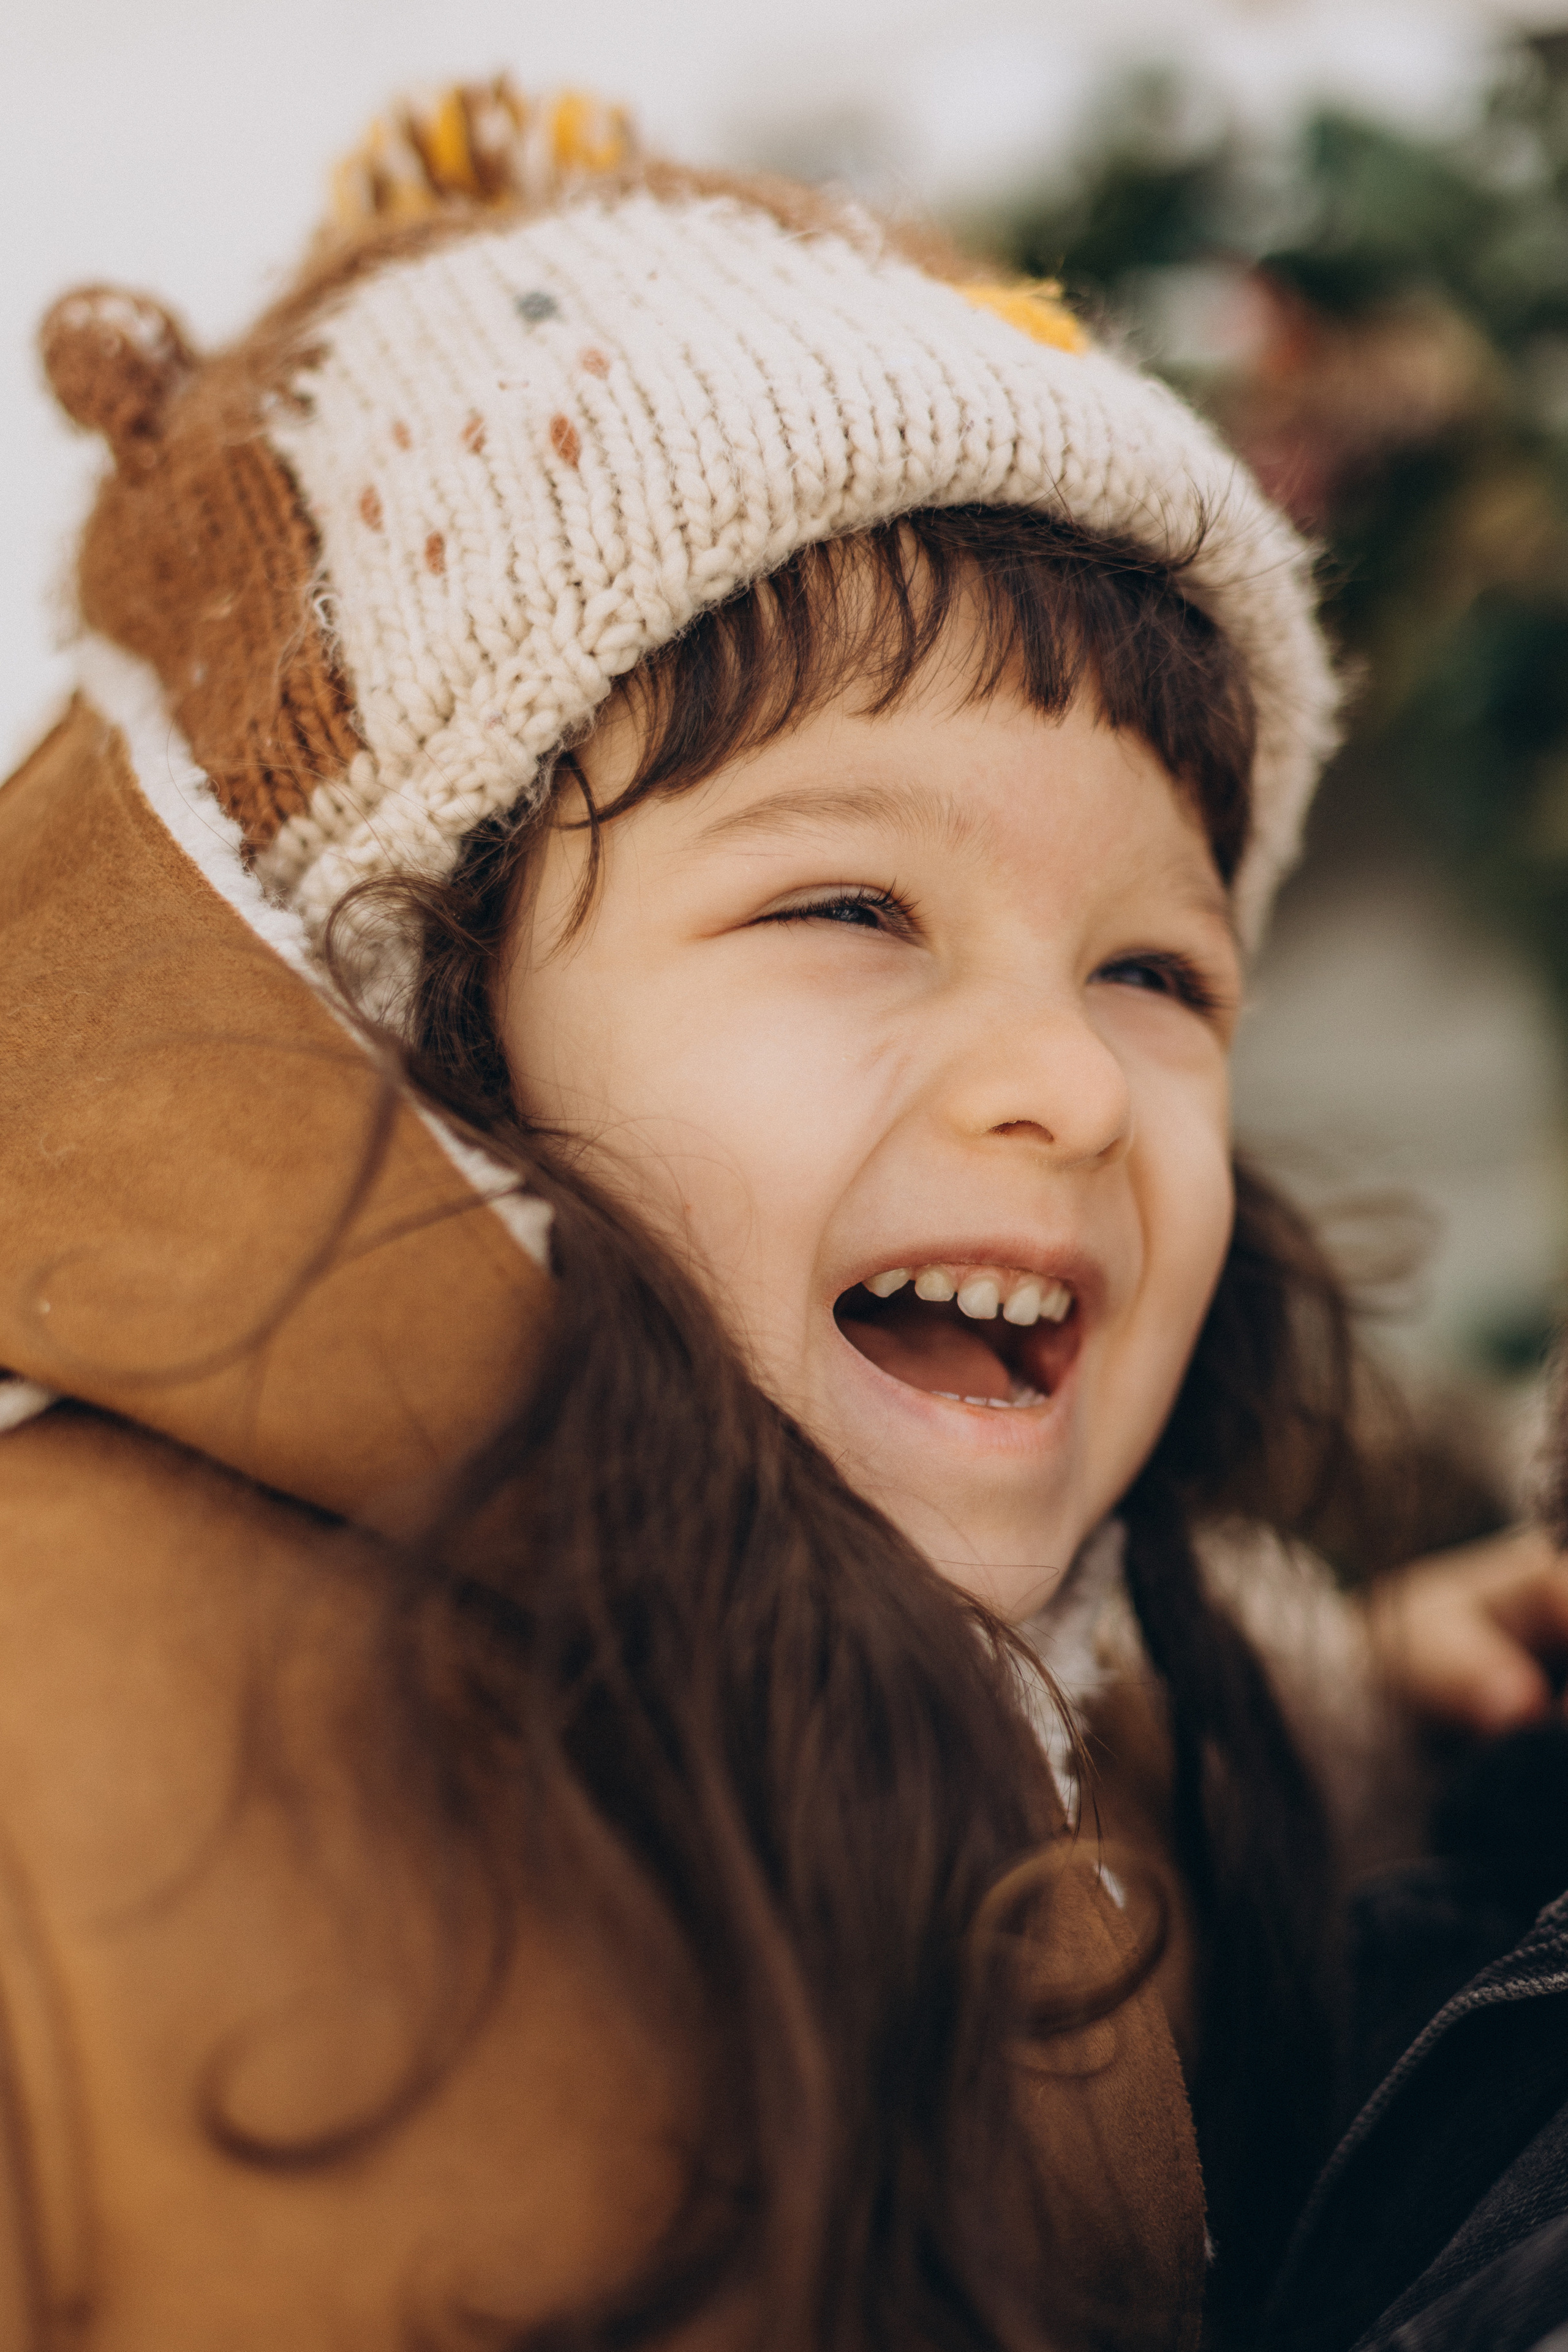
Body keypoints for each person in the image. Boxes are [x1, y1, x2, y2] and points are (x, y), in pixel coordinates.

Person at [3, 77, 1567, 2350]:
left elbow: (1075, 1713)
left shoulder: (1150, 1699)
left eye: (1157, 971)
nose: (1061, 1084)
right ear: (409, 1005)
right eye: (849, 903)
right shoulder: (74, 1737)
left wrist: (1380, 1721)